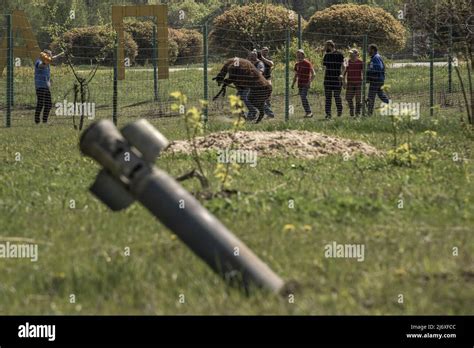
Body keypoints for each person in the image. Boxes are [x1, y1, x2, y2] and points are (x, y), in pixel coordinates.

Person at [34, 49, 63, 124]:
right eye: (49, 55)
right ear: (45, 55)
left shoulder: (48, 65)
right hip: (40, 86)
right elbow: (41, 66)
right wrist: (45, 61)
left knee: (48, 104)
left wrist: (61, 54)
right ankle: (37, 120)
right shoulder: (39, 62)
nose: (50, 57)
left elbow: (52, 59)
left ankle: (44, 121)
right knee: (40, 103)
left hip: (46, 87)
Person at [322, 40, 344, 119]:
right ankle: (328, 114)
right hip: (328, 79)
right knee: (328, 97)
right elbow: (323, 65)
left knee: (337, 96)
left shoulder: (340, 54)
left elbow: (343, 66)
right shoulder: (326, 55)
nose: (325, 48)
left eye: (326, 46)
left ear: (330, 46)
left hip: (337, 78)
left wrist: (342, 74)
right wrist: (323, 53)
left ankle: (339, 111)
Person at [366, 44, 389, 116]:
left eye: (369, 49)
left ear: (372, 50)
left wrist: (369, 70)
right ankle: (391, 106)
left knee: (371, 97)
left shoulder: (376, 57)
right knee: (381, 95)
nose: (368, 50)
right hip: (378, 80)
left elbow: (379, 68)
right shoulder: (375, 57)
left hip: (376, 80)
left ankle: (369, 114)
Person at [291, 49, 315, 118]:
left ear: (303, 55)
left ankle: (309, 112)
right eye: (297, 55)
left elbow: (314, 74)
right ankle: (307, 112)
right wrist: (293, 83)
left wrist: (309, 82)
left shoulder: (307, 63)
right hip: (300, 84)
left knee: (303, 97)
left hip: (306, 83)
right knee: (302, 98)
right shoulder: (297, 64)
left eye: (300, 55)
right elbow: (296, 75)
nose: (298, 56)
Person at [343, 48, 363, 117]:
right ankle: (351, 108)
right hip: (350, 83)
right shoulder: (348, 62)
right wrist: (344, 81)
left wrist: (363, 82)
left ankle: (357, 113)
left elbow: (363, 72)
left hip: (358, 83)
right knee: (348, 98)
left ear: (356, 54)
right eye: (350, 54)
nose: (350, 55)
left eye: (352, 53)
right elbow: (344, 72)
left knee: (358, 99)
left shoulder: (360, 62)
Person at [258, 47, 275, 118]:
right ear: (261, 50)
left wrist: (262, 58)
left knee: (268, 95)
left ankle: (268, 112)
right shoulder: (257, 58)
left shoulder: (268, 58)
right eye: (264, 50)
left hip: (267, 78)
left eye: (267, 51)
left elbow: (271, 64)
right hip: (259, 79)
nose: (266, 52)